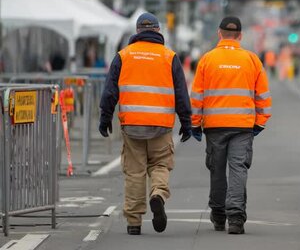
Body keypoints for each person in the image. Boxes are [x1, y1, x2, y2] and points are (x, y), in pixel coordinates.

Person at [99, 13, 193, 236]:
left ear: (138, 31)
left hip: (132, 125)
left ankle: (134, 222)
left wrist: (105, 118)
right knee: (160, 165)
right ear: (158, 31)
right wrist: (187, 122)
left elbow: (110, 92)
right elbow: (181, 93)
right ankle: (158, 194)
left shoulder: (123, 56)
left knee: (134, 172)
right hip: (161, 125)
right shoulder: (169, 57)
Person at [190, 16, 272, 235]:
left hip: (215, 126)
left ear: (219, 33)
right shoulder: (251, 60)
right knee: (238, 169)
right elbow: (263, 96)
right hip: (242, 126)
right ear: (240, 36)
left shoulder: (207, 59)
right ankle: (235, 218)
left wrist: (195, 124)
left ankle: (218, 215)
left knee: (217, 170)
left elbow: (196, 96)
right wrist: (260, 123)